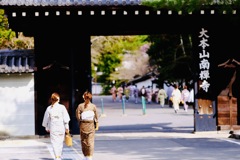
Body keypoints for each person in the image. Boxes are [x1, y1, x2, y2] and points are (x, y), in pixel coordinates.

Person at [42, 92, 70, 160]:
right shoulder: (62, 107)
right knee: (60, 143)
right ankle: (59, 156)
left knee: (54, 143)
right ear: (58, 99)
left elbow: (46, 119)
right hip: (61, 127)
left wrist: (46, 127)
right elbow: (66, 119)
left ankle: (56, 156)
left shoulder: (49, 108)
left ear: (51, 99)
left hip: (53, 127)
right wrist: (67, 128)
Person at [76, 91, 99, 160]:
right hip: (91, 125)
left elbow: (78, 115)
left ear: (84, 97)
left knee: (84, 141)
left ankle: (85, 155)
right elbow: (96, 116)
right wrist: (97, 123)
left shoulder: (80, 106)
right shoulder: (93, 106)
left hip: (83, 125)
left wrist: (80, 120)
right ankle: (90, 156)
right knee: (91, 141)